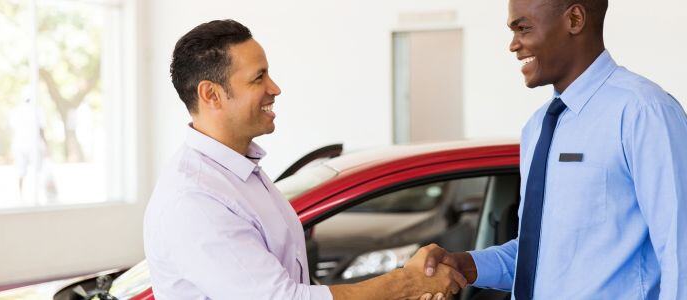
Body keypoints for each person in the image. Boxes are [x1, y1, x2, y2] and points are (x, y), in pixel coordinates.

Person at [143, 20, 465, 300]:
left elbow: (292, 281)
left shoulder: (240, 173)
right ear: (211, 94)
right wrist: (404, 283)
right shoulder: (195, 198)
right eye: (259, 78)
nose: (275, 88)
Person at [415, 0, 687, 299]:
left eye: (523, 28)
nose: (513, 45)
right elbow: (538, 256)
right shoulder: (537, 127)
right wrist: (467, 265)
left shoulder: (644, 111)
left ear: (574, 19)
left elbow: (684, 259)